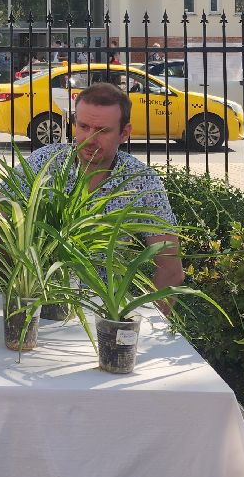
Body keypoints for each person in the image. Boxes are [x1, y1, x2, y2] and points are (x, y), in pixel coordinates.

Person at [20, 82, 184, 311]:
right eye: (83, 126)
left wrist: (133, 327)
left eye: (102, 131)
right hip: (36, 307)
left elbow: (171, 268)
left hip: (104, 311)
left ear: (124, 133)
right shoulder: (44, 164)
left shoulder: (141, 181)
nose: (89, 139)